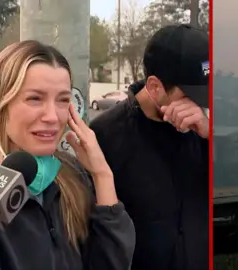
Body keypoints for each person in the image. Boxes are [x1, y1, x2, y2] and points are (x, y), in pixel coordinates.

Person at [0, 40, 135, 270]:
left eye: (63, 100)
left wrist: (102, 175)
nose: (53, 116)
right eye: (35, 98)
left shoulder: (72, 177)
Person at [90, 24, 209, 270]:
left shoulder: (202, 128)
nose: (200, 106)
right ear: (155, 87)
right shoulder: (105, 136)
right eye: (191, 97)